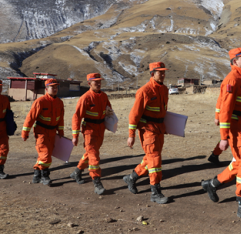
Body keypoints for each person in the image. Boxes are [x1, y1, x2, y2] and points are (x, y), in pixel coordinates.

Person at [201, 48, 241, 221]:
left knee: (239, 164)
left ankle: (211, 185)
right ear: (235, 61)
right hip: (237, 131)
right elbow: (225, 110)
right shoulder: (232, 79)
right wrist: (223, 137)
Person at [123, 62, 169, 204]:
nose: (162, 74)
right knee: (155, 160)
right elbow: (134, 116)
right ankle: (155, 192)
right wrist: (131, 135)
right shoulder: (145, 91)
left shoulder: (165, 89)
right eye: (159, 72)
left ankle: (131, 178)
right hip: (147, 130)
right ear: (152, 73)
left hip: (159, 129)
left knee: (150, 158)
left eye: (163, 72)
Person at [70, 73, 113, 195]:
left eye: (100, 81)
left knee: (90, 153)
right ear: (89, 84)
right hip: (89, 130)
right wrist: (75, 135)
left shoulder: (104, 96)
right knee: (94, 156)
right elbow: (77, 117)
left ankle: (77, 171)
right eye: (96, 82)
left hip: (100, 129)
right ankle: (97, 181)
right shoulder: (85, 98)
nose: (99, 84)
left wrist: (111, 123)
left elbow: (109, 110)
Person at [22, 79, 64, 186]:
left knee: (45, 154)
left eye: (56, 87)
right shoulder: (40, 101)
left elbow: (60, 119)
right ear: (46, 89)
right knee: (45, 154)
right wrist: (25, 132)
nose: (55, 89)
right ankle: (45, 176)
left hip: (52, 132)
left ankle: (37, 173)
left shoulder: (59, 102)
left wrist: (61, 132)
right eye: (52, 87)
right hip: (41, 132)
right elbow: (30, 118)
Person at [207, 96, 226, 165]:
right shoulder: (227, 85)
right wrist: (217, 117)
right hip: (230, 117)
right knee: (227, 138)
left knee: (227, 138)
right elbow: (220, 102)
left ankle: (214, 155)